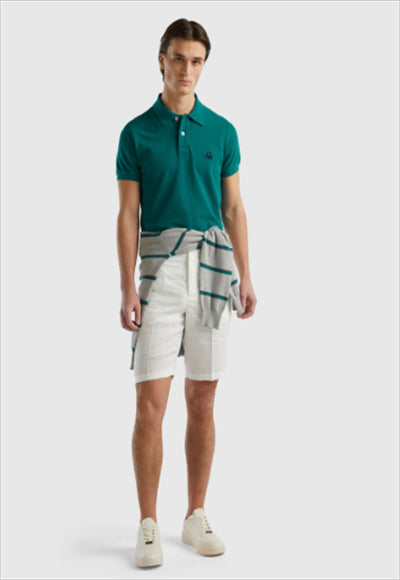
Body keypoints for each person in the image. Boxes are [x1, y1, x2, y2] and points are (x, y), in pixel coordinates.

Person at [116, 18, 257, 568]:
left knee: (203, 401)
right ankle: (147, 523)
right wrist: (126, 286)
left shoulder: (222, 131)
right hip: (159, 273)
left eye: (196, 61)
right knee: (149, 405)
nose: (186, 70)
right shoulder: (135, 133)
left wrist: (246, 275)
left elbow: (233, 208)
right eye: (178, 58)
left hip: (214, 273)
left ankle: (195, 514)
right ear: (161, 60)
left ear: (203, 65)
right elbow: (128, 214)